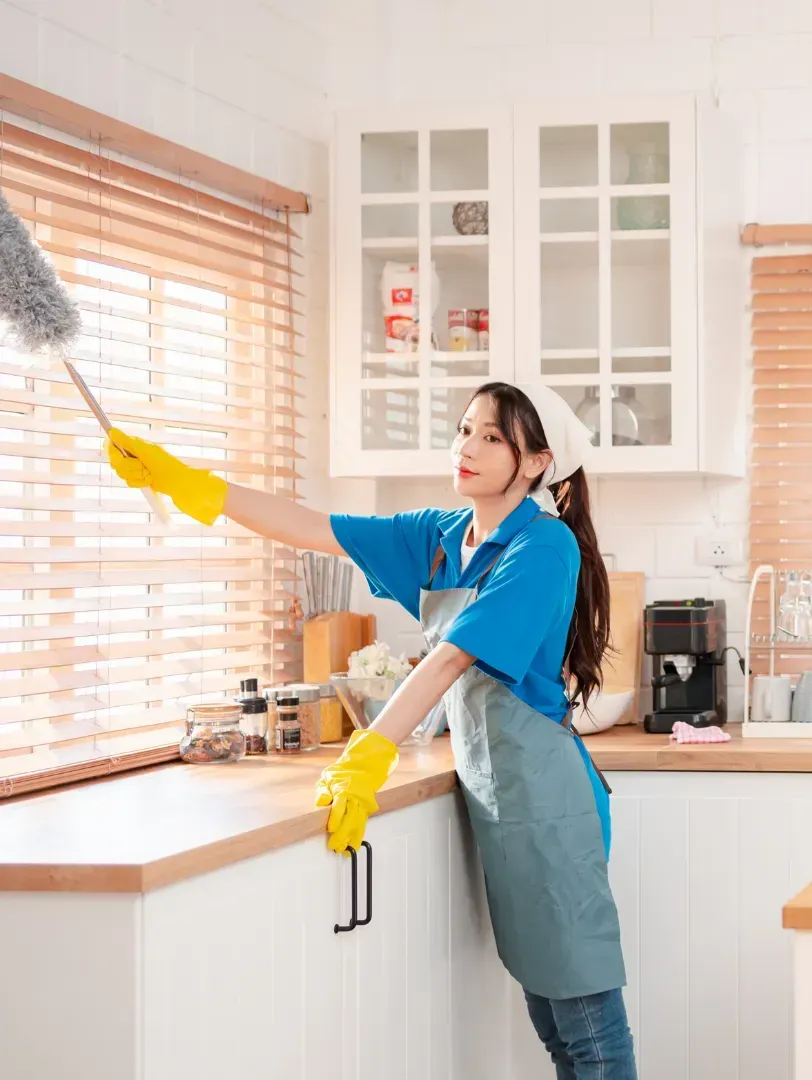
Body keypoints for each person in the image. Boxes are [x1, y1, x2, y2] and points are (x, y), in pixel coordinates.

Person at [104, 382, 636, 1079]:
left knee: (590, 1029)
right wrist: (188, 483)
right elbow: (317, 528)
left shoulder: (543, 547)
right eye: (466, 429)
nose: (467, 447)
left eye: (493, 438)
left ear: (536, 462)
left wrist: (371, 750)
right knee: (555, 1029)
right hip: (504, 805)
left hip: (548, 810)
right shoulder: (444, 536)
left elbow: (451, 658)